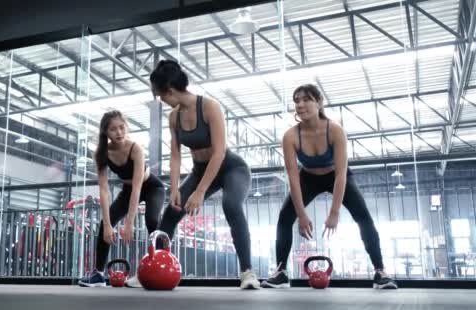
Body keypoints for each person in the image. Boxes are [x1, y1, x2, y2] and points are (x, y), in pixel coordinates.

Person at [260, 84, 398, 290]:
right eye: (297, 100)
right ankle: (280, 272)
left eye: (306, 99)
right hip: (307, 177)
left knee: (363, 217)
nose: (300, 104)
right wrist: (301, 214)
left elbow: (341, 173)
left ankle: (380, 272)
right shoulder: (290, 136)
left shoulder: (335, 130)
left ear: (319, 102)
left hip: (336, 175)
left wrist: (334, 213)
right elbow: (293, 178)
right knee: (285, 216)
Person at [150, 60, 260, 290]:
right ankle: (154, 267)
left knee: (231, 205)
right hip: (200, 170)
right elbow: (176, 155)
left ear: (169, 91)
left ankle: (248, 272)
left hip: (231, 168)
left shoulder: (209, 106)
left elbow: (219, 152)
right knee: (171, 212)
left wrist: (200, 192)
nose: (161, 101)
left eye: (160, 96)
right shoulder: (174, 117)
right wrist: (174, 190)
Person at [78, 110, 165, 287]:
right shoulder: (102, 153)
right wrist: (109, 225)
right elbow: (103, 190)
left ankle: (160, 267)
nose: (118, 132)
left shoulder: (135, 149)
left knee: (152, 221)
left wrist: (129, 222)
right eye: (113, 129)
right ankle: (98, 275)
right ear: (106, 132)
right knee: (104, 224)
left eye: (121, 127)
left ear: (126, 127)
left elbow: (138, 186)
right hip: (128, 189)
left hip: (151, 187)